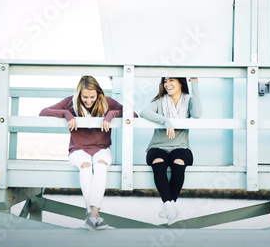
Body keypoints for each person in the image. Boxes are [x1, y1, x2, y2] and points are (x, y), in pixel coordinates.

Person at [39, 75, 131, 231]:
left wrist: (110, 115)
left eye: (92, 97)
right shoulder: (70, 102)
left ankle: (92, 215)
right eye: (85, 97)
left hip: (101, 149)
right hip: (78, 149)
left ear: (99, 94)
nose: (88, 101)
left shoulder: (106, 101)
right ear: (79, 94)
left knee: (101, 166)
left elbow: (131, 113)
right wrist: (67, 114)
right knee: (86, 167)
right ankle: (94, 216)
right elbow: (43, 112)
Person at [140, 77, 202, 225]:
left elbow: (198, 114)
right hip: (158, 146)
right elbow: (144, 112)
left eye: (171, 80)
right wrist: (166, 121)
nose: (167, 84)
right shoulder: (160, 101)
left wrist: (195, 85)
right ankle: (170, 205)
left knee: (178, 163)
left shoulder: (188, 100)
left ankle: (169, 205)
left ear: (180, 82)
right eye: (165, 81)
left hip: (181, 146)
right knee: (158, 163)